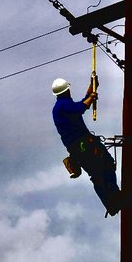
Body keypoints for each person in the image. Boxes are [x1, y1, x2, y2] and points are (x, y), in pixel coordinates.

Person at [51, 76, 123, 216]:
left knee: (98, 172)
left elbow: (82, 103)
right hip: (83, 145)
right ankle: (114, 200)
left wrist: (92, 86)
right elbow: (81, 107)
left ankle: (113, 201)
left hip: (79, 147)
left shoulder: (60, 107)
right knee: (102, 169)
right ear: (67, 90)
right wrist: (91, 97)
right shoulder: (63, 105)